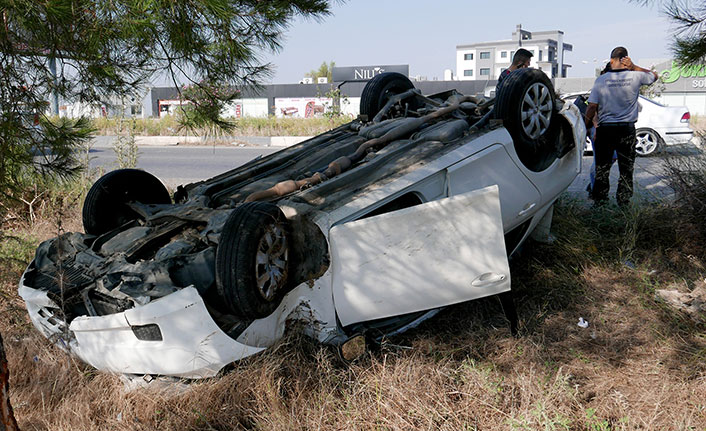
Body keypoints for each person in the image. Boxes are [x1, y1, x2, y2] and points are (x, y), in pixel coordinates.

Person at [584, 47, 658, 207]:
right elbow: (654, 76)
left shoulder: (601, 80)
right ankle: (623, 202)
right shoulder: (636, 76)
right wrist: (634, 67)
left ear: (611, 61)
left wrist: (586, 126)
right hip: (627, 129)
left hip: (605, 130)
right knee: (626, 168)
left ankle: (600, 202)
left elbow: (591, 106)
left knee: (602, 168)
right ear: (626, 59)